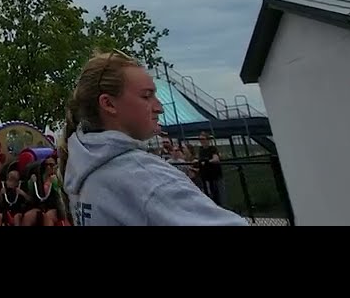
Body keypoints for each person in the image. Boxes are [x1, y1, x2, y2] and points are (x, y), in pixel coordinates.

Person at [58, 50, 248, 226]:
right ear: (108, 104)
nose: (159, 108)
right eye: (147, 96)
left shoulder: (81, 172)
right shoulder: (143, 178)